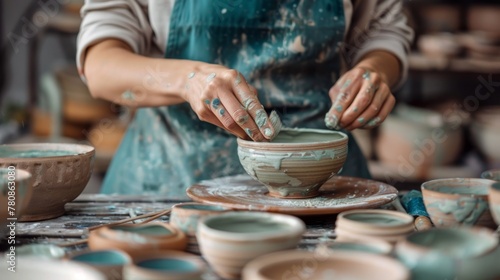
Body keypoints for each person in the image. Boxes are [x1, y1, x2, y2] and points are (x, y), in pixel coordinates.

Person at [77, 0, 413, 198]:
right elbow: (100, 64)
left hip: (322, 179)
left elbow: (386, 30)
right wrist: (186, 79)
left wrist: (375, 69)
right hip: (172, 175)